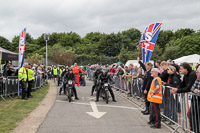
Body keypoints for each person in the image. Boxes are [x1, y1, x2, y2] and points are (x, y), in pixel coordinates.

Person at [189, 67, 200, 133]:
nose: (196, 74)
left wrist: (198, 92)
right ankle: (194, 130)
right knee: (190, 114)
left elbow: (196, 90)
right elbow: (192, 88)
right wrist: (195, 91)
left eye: (197, 73)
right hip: (195, 100)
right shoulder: (197, 79)